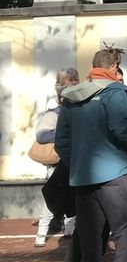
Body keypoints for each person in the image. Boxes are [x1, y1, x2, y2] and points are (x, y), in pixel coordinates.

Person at [55, 46, 127, 262]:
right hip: (115, 170)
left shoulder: (71, 97)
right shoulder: (114, 91)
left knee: (90, 230)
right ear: (114, 68)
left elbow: (61, 142)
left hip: (82, 175)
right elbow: (122, 130)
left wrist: (76, 163)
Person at [32, 68, 79, 247]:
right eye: (70, 79)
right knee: (52, 198)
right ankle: (42, 232)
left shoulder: (78, 111)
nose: (74, 82)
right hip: (57, 163)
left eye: (75, 79)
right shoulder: (54, 113)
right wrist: (64, 135)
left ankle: (69, 229)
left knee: (73, 196)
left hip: (74, 162)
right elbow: (41, 135)